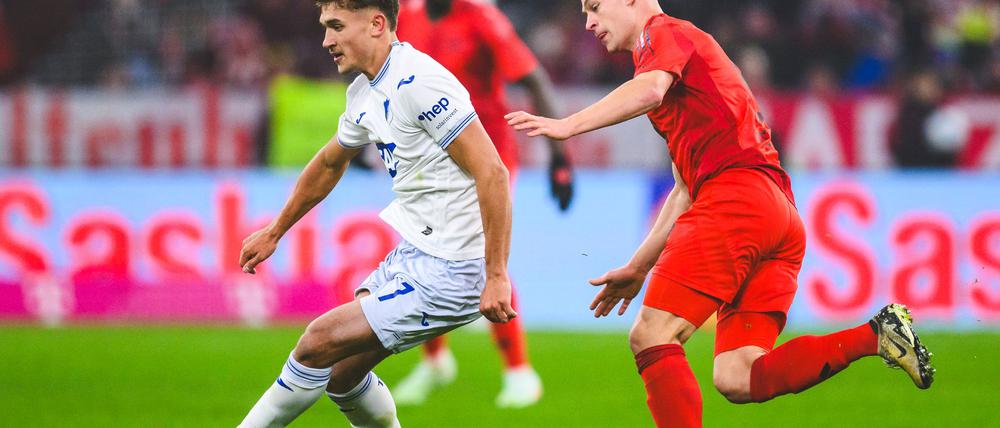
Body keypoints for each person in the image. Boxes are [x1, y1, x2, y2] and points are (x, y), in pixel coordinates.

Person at [506, 1, 935, 427]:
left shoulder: (662, 34)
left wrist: (568, 125)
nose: (589, 23)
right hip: (775, 215)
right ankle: (876, 335)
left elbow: (651, 90)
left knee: (651, 334)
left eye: (595, 7)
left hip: (736, 200)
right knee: (739, 376)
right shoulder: (680, 62)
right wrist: (639, 267)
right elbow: (684, 190)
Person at [237, 1, 516, 426]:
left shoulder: (419, 83)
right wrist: (276, 231)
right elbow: (330, 162)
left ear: (376, 23)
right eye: (324, 27)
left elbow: (493, 172)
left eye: (335, 27)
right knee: (341, 376)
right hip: (416, 252)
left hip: (455, 268)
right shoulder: (364, 92)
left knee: (317, 341)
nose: (326, 40)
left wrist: (496, 275)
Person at [390, 0, 571, 408]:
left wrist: (560, 156)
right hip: (430, 160)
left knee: (484, 258)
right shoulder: (409, 17)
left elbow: (534, 78)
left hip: (488, 158)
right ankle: (435, 360)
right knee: (424, 254)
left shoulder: (481, 18)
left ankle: (520, 371)